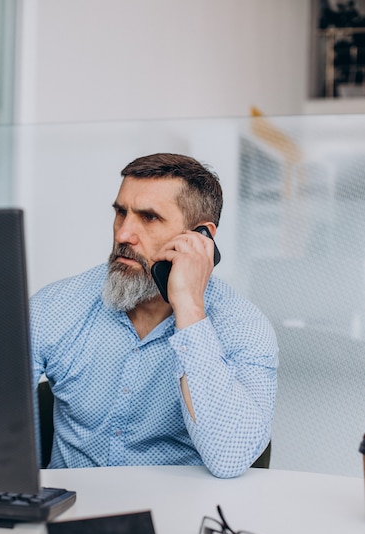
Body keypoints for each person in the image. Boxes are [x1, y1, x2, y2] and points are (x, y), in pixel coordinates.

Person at [30, 153, 278, 478]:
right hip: (73, 511)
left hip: (177, 518)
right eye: (121, 213)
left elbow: (229, 458)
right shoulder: (56, 306)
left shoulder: (243, 326)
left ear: (200, 236)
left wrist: (189, 308)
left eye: (148, 218)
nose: (123, 234)